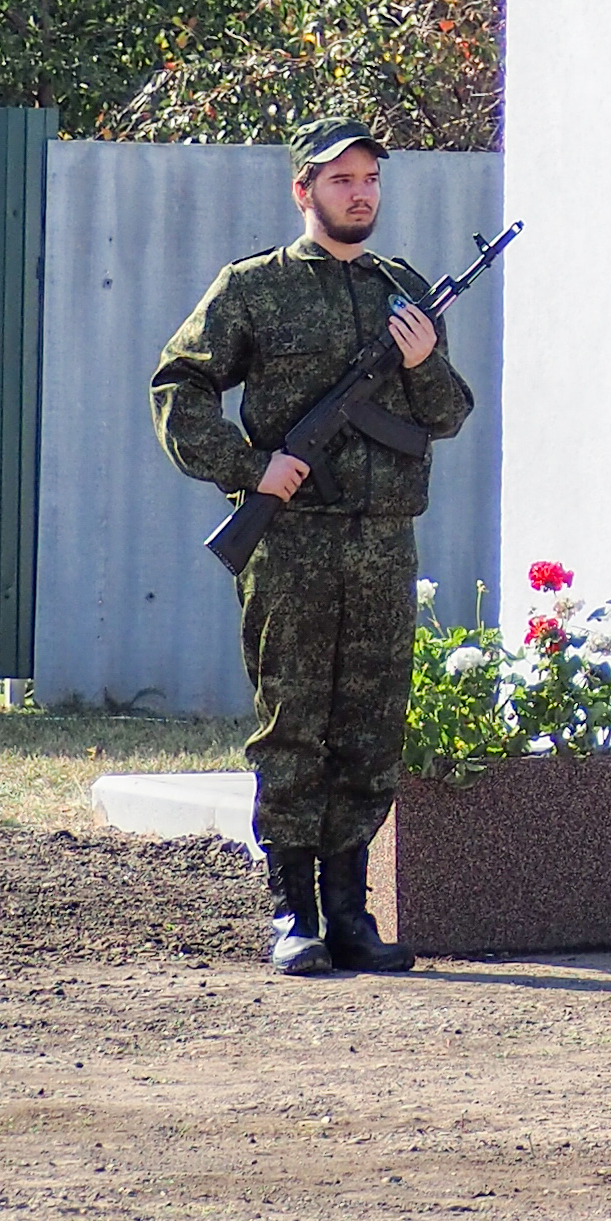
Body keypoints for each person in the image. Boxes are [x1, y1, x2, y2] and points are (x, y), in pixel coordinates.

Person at [152, 120, 472, 976]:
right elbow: (178, 387)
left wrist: (426, 358)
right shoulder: (254, 287)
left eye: (370, 178)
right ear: (304, 190)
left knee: (370, 728)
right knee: (292, 726)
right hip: (289, 543)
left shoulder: (401, 289)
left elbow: (446, 414)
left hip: (381, 544)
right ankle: (293, 914)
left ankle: (353, 914)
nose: (360, 192)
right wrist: (254, 469)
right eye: (341, 180)